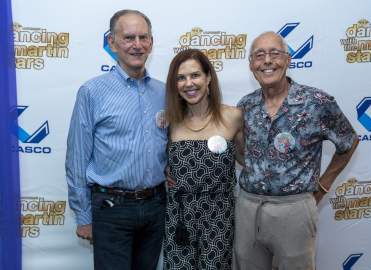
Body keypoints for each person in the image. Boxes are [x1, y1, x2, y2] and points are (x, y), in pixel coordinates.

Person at [233, 31, 359, 270]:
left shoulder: (317, 102)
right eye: (259, 55)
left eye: (274, 53)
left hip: (294, 210)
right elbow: (245, 155)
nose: (267, 61)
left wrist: (323, 186)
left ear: (288, 60)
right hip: (248, 208)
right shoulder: (245, 105)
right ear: (251, 65)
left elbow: (348, 141)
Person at [65, 9, 167, 270]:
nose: (137, 45)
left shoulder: (164, 92)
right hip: (111, 209)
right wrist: (83, 216)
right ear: (112, 42)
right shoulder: (92, 92)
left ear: (151, 42)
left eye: (143, 37)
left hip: (155, 207)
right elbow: (77, 158)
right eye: (129, 37)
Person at [163, 49, 244, 270]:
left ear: (208, 77)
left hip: (219, 217)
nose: (189, 83)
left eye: (195, 75)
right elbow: (155, 161)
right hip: (179, 217)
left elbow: (250, 161)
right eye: (181, 78)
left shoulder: (234, 116)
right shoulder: (168, 121)